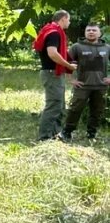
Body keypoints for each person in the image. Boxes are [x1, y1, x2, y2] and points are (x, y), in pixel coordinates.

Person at [33, 10, 77, 141]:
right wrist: (68, 66)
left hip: (54, 73)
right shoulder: (54, 33)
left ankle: (55, 134)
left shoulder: (50, 30)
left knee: (60, 105)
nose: (69, 23)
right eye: (69, 20)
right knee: (54, 105)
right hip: (52, 73)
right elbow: (52, 53)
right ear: (63, 19)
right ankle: (45, 137)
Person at [62, 23, 110, 141]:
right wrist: (71, 80)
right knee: (75, 109)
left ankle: (91, 133)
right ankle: (67, 132)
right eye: (88, 30)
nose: (91, 32)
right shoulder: (77, 47)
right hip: (82, 86)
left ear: (99, 33)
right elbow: (66, 63)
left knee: (97, 110)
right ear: (85, 33)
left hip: (100, 86)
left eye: (94, 30)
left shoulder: (107, 48)